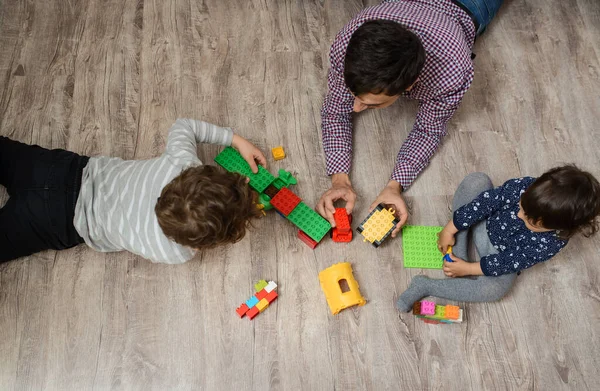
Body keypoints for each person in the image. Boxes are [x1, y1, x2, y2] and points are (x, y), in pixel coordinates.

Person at [316, 0, 504, 235]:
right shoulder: (347, 44)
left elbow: (428, 130)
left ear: (411, 84)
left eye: (371, 103)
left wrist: (395, 186)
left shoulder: (452, 71)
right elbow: (335, 111)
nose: (354, 108)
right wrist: (339, 180)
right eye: (355, 95)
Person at [0, 119, 267, 263]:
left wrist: (234, 139)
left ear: (195, 171)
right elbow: (191, 246)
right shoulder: (175, 252)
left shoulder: (181, 162)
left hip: (61, 170)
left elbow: (184, 126)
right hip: (56, 221)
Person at [396, 166, 600, 311]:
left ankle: (425, 286)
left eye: (530, 221)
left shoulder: (552, 242)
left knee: (495, 290)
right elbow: (486, 203)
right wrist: (450, 228)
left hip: (498, 256)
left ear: (559, 227)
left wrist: (469, 269)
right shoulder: (525, 188)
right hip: (483, 222)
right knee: (477, 180)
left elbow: (508, 262)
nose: (519, 215)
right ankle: (459, 247)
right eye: (522, 207)